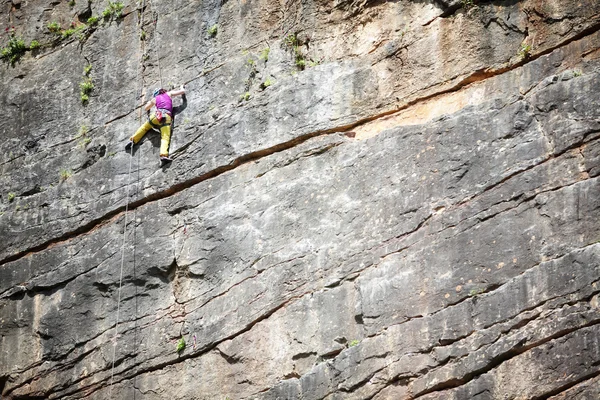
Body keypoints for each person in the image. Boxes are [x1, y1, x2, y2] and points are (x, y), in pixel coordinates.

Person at [125, 85, 186, 165]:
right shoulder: (169, 93)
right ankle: (163, 155)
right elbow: (182, 92)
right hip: (166, 117)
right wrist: (182, 87)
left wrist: (148, 103)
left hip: (156, 116)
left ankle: (133, 140)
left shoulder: (155, 99)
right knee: (165, 137)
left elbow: (146, 108)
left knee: (144, 127)